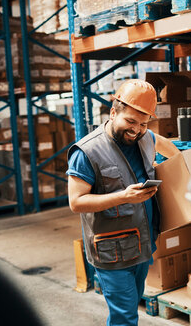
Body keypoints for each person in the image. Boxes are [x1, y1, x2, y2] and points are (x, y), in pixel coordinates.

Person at [67, 79, 179, 326]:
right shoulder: (87, 151)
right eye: (130, 122)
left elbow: (168, 147)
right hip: (111, 253)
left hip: (142, 244)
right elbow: (75, 202)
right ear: (114, 111)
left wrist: (178, 166)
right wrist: (123, 196)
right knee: (125, 318)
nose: (136, 130)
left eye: (143, 124)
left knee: (131, 307)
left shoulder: (145, 137)